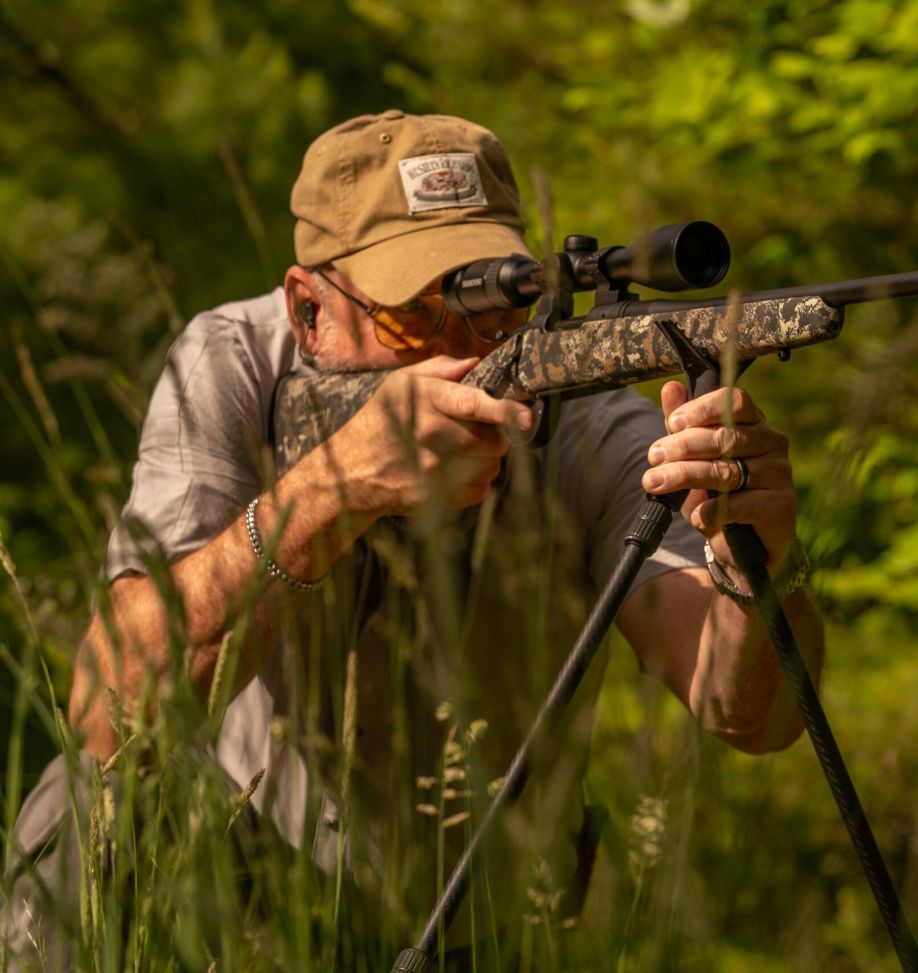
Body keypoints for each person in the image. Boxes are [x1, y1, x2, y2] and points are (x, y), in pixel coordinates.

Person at [1, 110, 823, 967]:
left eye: (489, 303)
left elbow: (750, 715)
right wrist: (327, 490)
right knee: (80, 819)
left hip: (480, 930)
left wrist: (753, 556)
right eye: (412, 314)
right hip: (220, 908)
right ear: (308, 309)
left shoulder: (584, 416)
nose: (459, 349)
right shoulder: (234, 362)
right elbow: (108, 711)